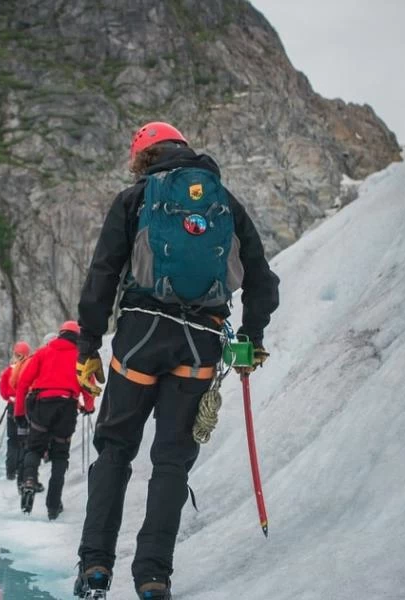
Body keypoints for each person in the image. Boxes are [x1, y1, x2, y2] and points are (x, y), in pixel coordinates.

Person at [72, 122, 280, 599]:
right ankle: (153, 577)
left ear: (142, 158)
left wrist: (88, 346)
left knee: (115, 450)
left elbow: (102, 275)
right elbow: (262, 280)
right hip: (200, 343)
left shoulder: (134, 200)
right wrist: (251, 338)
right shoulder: (223, 203)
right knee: (171, 462)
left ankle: (95, 568)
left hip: (141, 337)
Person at [14, 321, 96, 520]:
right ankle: (53, 505)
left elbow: (23, 382)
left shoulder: (43, 353)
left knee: (34, 449)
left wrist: (19, 412)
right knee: (60, 456)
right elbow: (88, 386)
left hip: (42, 405)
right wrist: (88, 406)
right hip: (67, 407)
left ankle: (29, 480)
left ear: (60, 334)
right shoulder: (82, 357)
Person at [0, 340, 32, 481]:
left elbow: (3, 392)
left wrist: (10, 397)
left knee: (12, 440)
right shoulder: (29, 368)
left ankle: (10, 471)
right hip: (26, 408)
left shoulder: (9, 371)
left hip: (12, 407)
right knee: (24, 439)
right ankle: (21, 469)